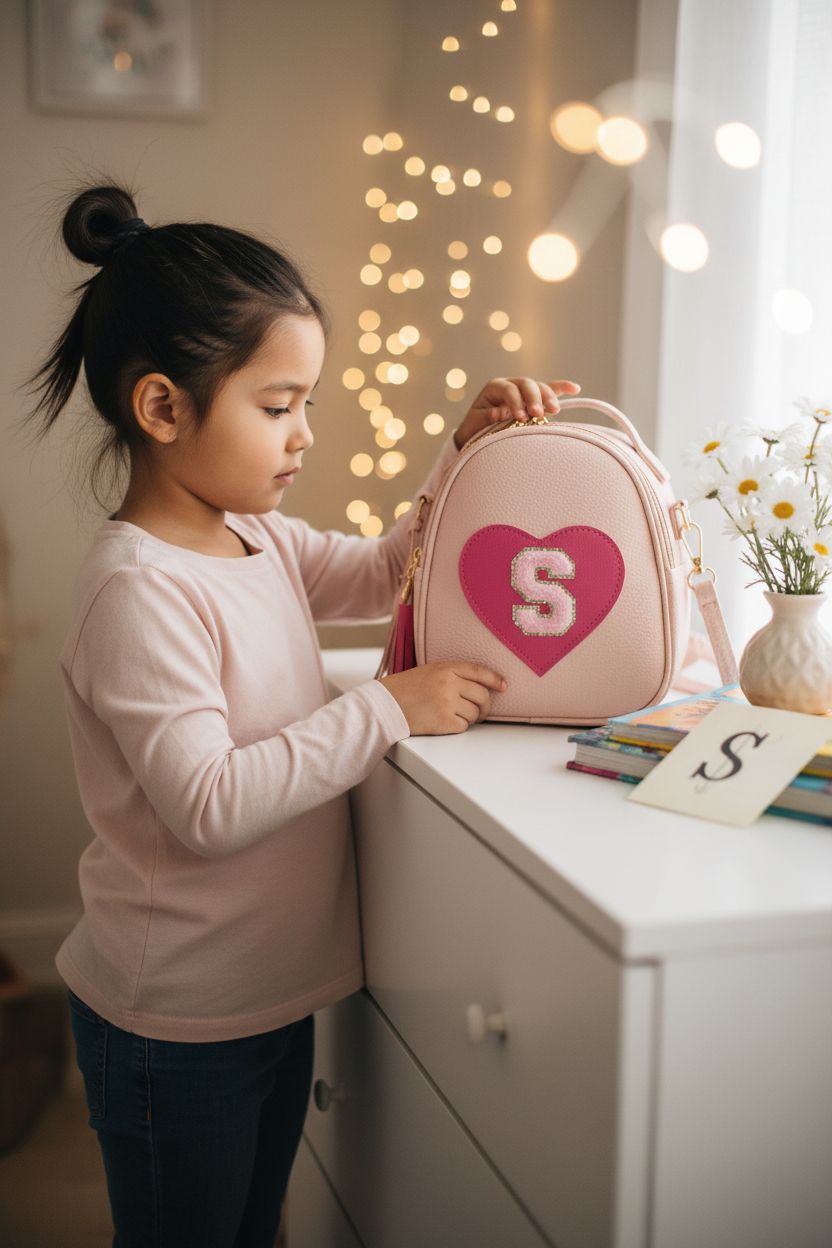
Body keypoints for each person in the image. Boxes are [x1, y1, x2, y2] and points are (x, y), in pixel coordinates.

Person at [24, 181, 580, 1248]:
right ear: (161, 409)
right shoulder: (139, 590)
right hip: (175, 1024)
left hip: (270, 998)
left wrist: (463, 453)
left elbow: (382, 572)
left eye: (306, 404)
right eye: (278, 407)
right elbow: (209, 804)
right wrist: (385, 707)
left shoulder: (259, 537)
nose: (305, 435)